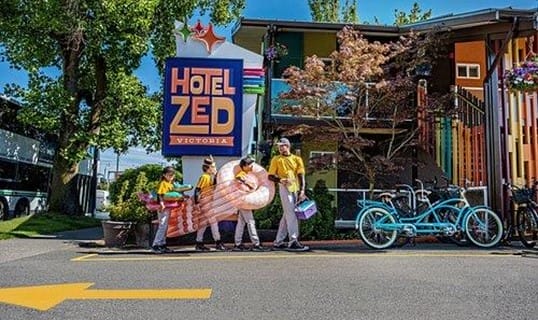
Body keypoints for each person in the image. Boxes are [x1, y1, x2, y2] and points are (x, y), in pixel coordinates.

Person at [268, 137, 309, 251]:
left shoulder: (297, 159)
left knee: (287, 215)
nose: (280, 148)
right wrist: (281, 180)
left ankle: (279, 241)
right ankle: (293, 240)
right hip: (284, 187)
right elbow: (270, 176)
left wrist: (302, 190)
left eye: (282, 145)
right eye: (279, 146)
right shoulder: (276, 159)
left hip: (295, 188)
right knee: (291, 214)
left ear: (288, 146)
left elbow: (301, 175)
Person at [194, 157, 226, 251]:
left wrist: (216, 175)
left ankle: (199, 242)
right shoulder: (205, 177)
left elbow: (214, 187)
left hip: (207, 202)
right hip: (206, 202)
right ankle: (218, 242)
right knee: (213, 222)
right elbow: (197, 189)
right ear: (208, 169)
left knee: (203, 223)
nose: (214, 168)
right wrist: (196, 203)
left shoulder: (209, 177)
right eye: (213, 167)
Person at [233, 157, 264, 251]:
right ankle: (256, 243)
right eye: (250, 164)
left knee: (241, 223)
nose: (252, 166)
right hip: (244, 201)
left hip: (242, 201)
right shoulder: (242, 174)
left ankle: (237, 243)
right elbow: (238, 178)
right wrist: (247, 183)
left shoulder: (248, 174)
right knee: (250, 222)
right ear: (245, 166)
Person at [151, 166, 175, 254]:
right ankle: (156, 245)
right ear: (164, 175)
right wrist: (161, 203)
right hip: (163, 207)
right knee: (162, 225)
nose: (171, 177)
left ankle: (162, 244)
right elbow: (160, 194)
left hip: (168, 207)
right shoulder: (163, 183)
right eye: (169, 175)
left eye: (172, 175)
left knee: (165, 226)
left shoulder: (170, 183)